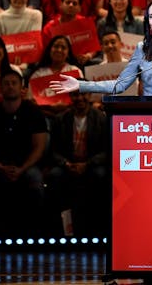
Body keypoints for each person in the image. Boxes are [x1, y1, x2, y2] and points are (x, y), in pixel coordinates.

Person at [0, 70, 47, 234]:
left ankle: (36, 229)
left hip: (26, 164)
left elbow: (39, 147)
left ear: (21, 87)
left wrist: (22, 168)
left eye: (14, 82)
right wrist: (1, 167)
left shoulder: (34, 113)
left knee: (36, 180)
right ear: (0, 88)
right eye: (6, 83)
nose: (10, 86)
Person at [48, 88, 110, 236]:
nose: (80, 98)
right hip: (67, 164)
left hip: (92, 164)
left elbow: (107, 150)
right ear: (70, 96)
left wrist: (88, 164)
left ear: (89, 95)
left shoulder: (101, 118)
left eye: (83, 94)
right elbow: (53, 151)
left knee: (101, 175)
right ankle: (58, 229)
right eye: (75, 94)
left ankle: (97, 228)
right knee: (54, 175)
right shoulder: (60, 119)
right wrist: (65, 163)